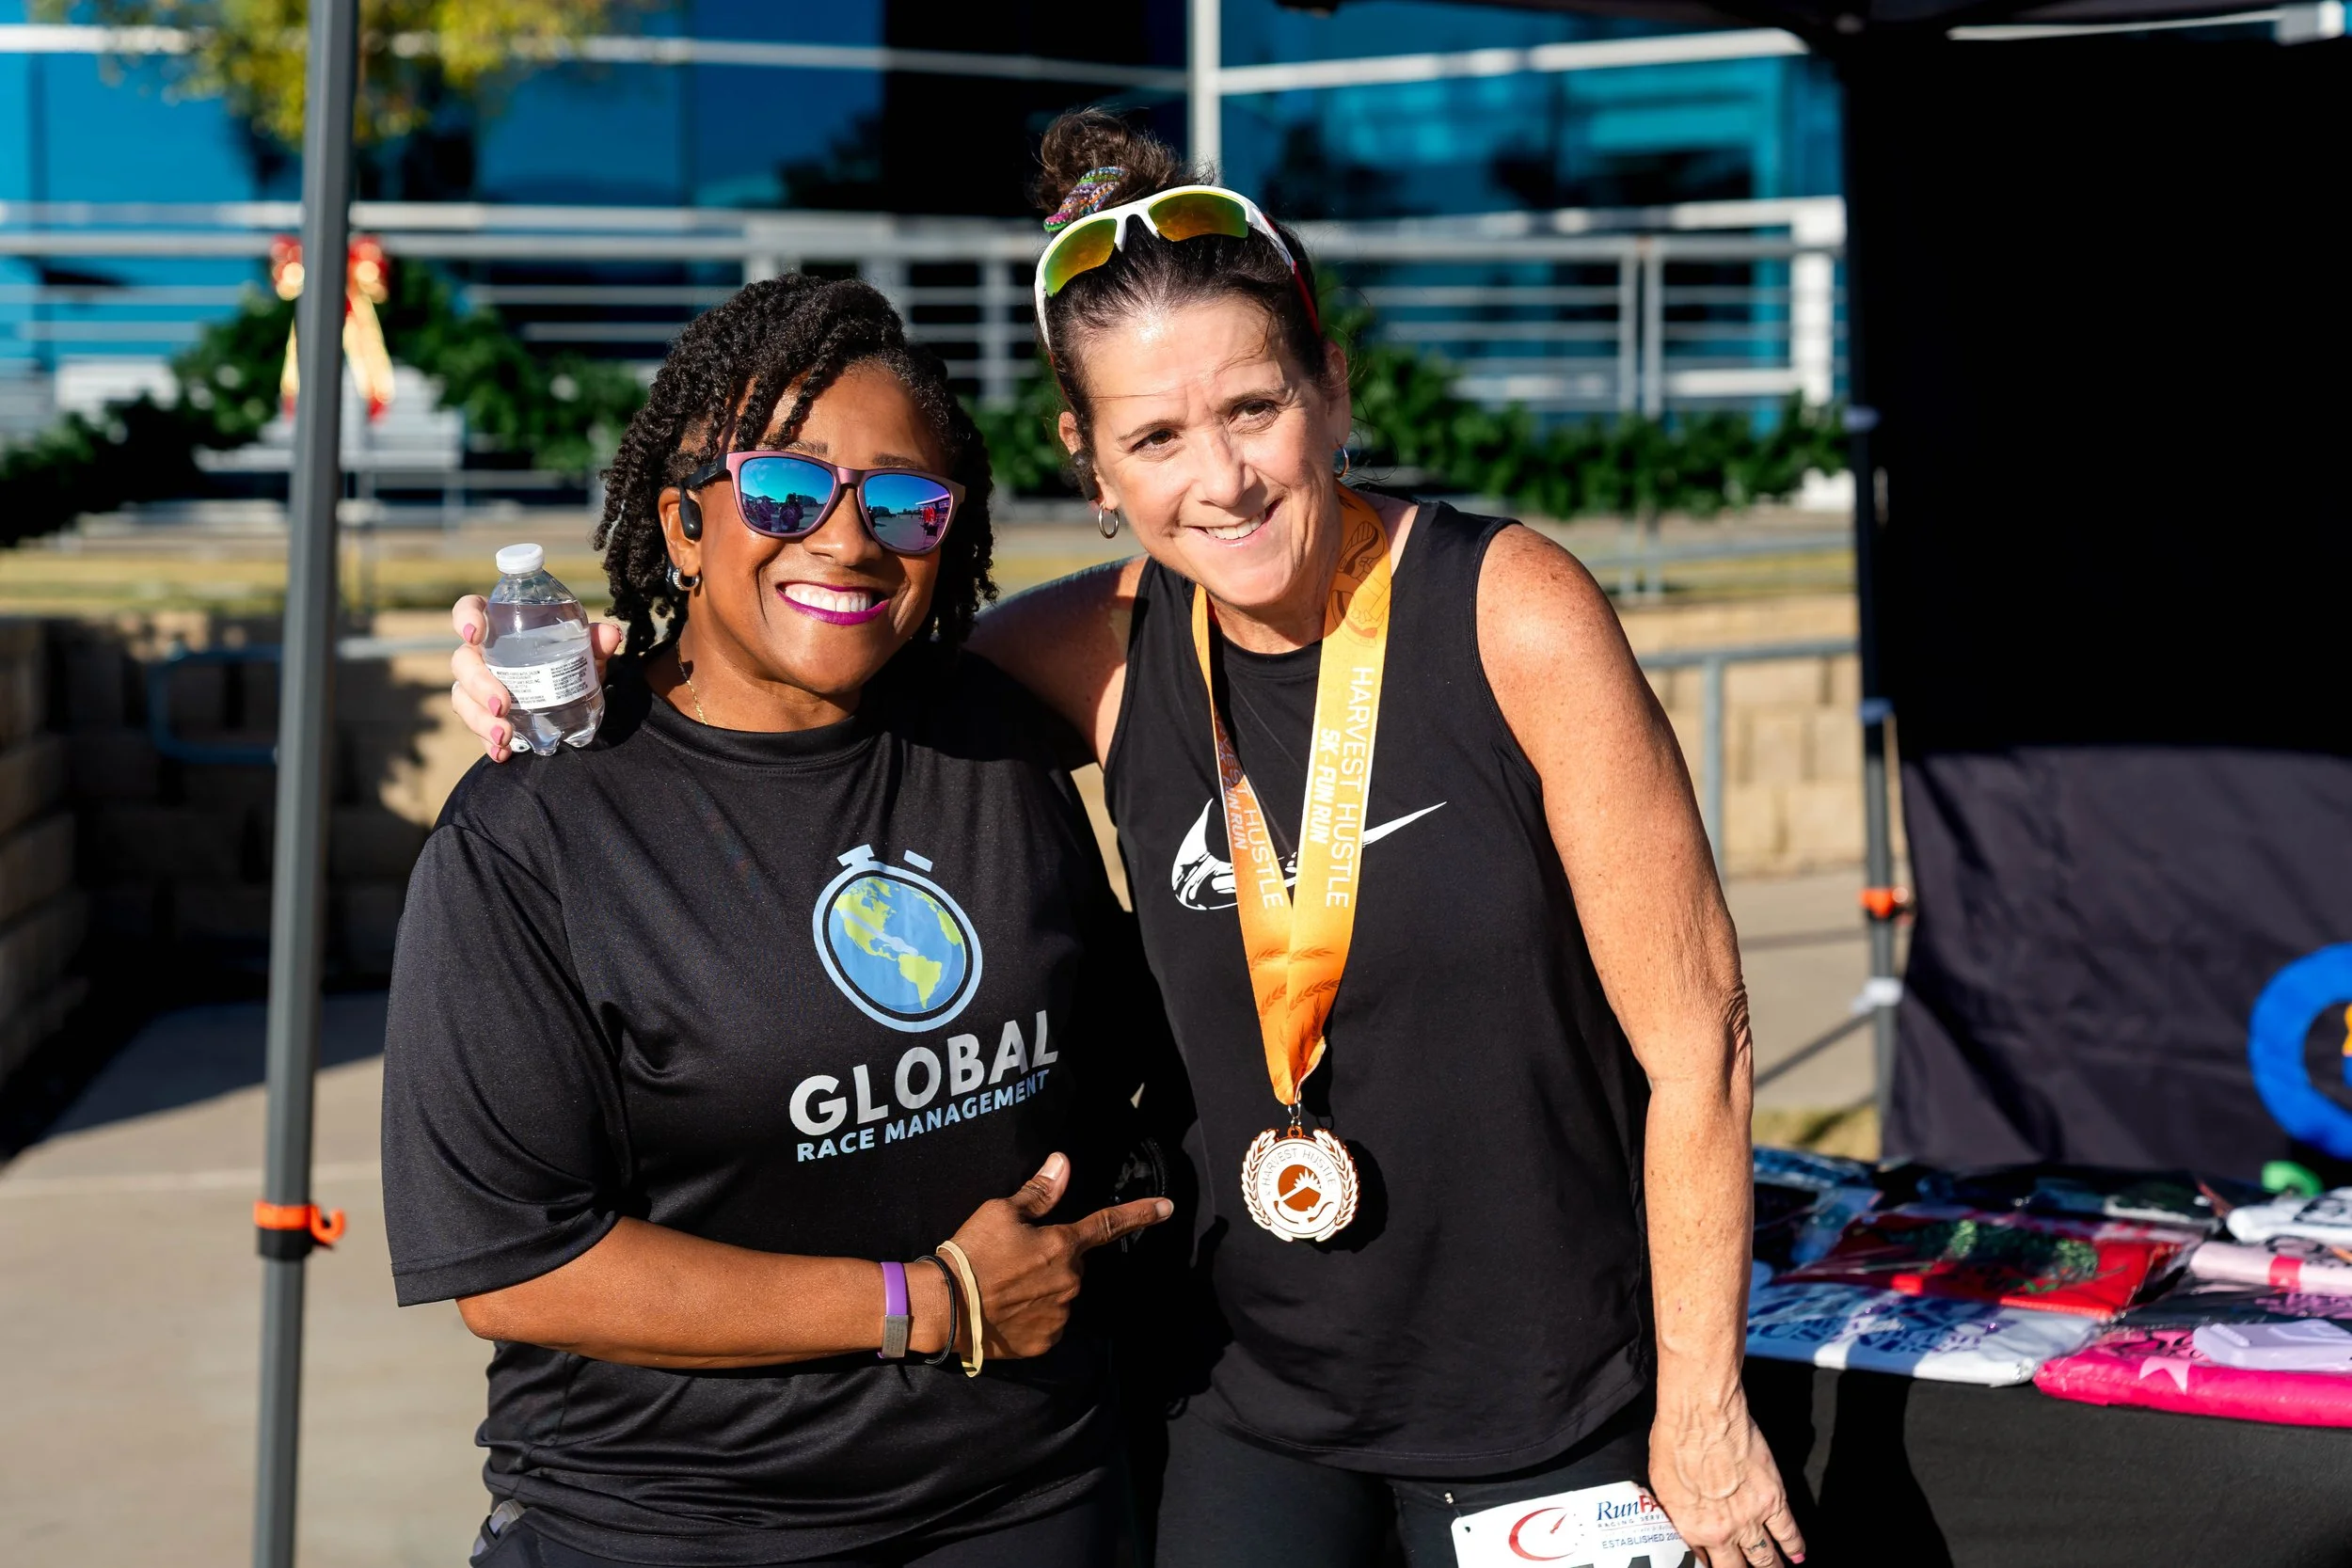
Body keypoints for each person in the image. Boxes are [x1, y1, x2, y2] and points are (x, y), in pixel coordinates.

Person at [450, 112, 1803, 1568]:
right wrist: (589, 661)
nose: (1218, 478)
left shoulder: (1511, 610)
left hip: (1551, 1399)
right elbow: (800, 649)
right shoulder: (1089, 652)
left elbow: (1702, 1040)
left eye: (1254, 409)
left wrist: (1704, 1406)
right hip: (1251, 1400)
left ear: (1333, 390)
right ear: (1091, 461)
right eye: (1155, 435)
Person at [385, 274, 1173, 1568]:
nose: (849, 540)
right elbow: (516, 1262)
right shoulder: (535, 827)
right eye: (785, 492)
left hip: (1032, 1494)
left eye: (908, 503)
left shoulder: (993, 739)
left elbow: (1247, 568)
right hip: (677, 1519)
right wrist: (932, 1302)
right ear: (682, 522)